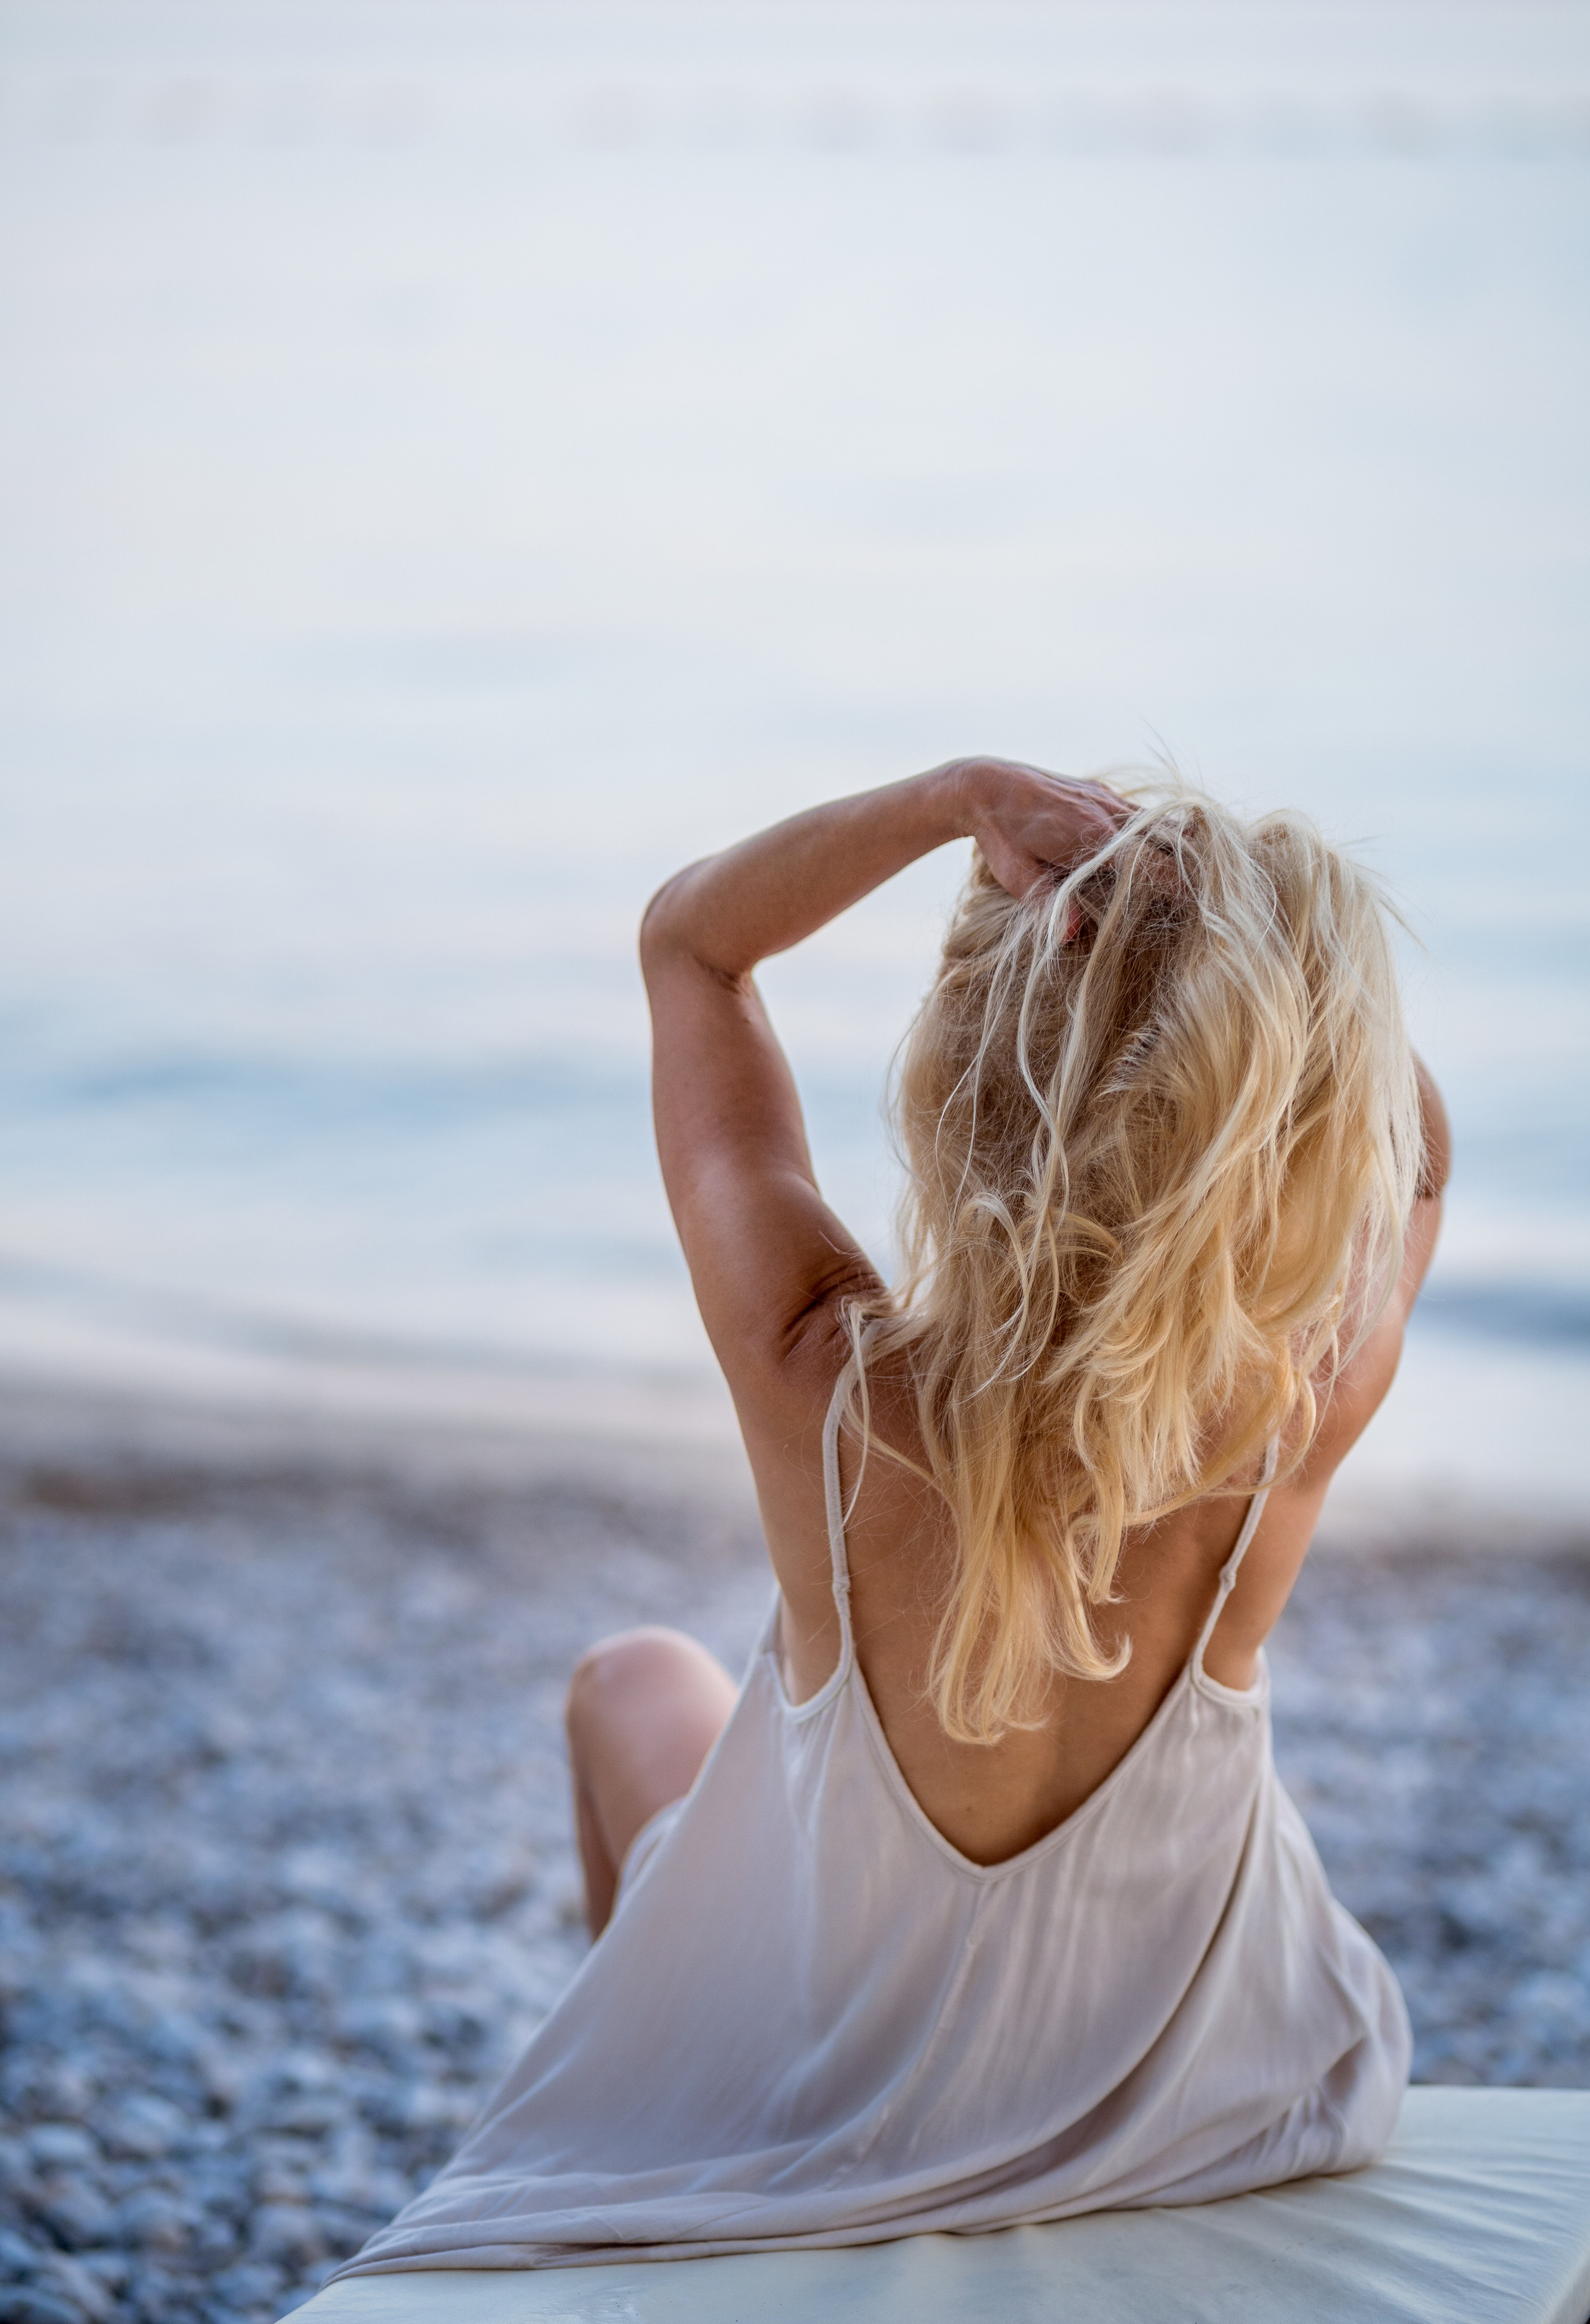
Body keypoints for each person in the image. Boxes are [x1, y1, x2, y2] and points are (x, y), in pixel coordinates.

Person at [335, 759, 1450, 2279]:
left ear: (971, 1075)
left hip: (826, 2112)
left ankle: (677, 2110)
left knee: (632, 1679)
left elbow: (690, 945)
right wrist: (1279, 984)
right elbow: (1414, 1149)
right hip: (1197, 2097)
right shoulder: (1284, 1418)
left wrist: (952, 798)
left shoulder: (824, 1379)